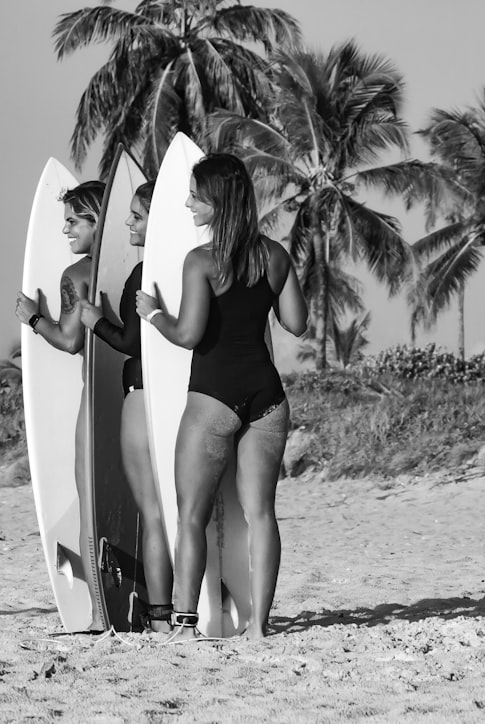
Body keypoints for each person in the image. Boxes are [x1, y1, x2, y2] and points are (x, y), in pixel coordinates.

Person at [136, 153, 307, 641]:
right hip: (267, 396)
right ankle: (259, 626)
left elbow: (189, 335)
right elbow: (297, 323)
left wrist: (153, 314)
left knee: (191, 514)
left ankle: (185, 626)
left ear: (218, 200)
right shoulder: (275, 256)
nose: (188, 203)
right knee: (261, 515)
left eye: (195, 195)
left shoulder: (202, 261)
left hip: (213, 397)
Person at [78, 180, 173, 633]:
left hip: (141, 397)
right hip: (182, 398)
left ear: (157, 220)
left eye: (136, 216)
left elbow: (133, 342)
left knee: (152, 512)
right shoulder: (183, 267)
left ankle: (159, 617)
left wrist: (97, 322)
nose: (128, 224)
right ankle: (193, 609)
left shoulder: (144, 271)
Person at [15, 179, 106, 631]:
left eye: (73, 221)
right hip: (140, 395)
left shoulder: (78, 276)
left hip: (98, 400)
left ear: (95, 221)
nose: (66, 231)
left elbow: (71, 340)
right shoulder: (137, 268)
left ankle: (96, 612)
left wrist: (34, 318)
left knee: (89, 505)